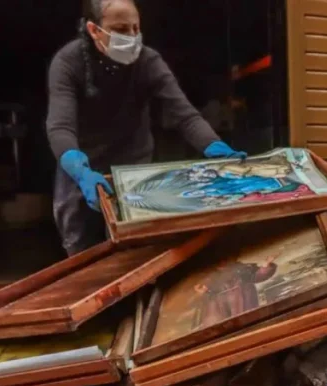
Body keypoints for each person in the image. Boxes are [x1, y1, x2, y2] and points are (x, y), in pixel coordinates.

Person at [46, 0, 246, 255]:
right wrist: (80, 171)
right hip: (80, 164)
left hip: (131, 162)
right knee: (80, 246)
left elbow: (185, 115)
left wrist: (215, 146)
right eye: (121, 29)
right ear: (94, 30)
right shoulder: (67, 63)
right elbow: (60, 127)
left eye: (135, 28)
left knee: (133, 247)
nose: (131, 37)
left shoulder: (148, 61)